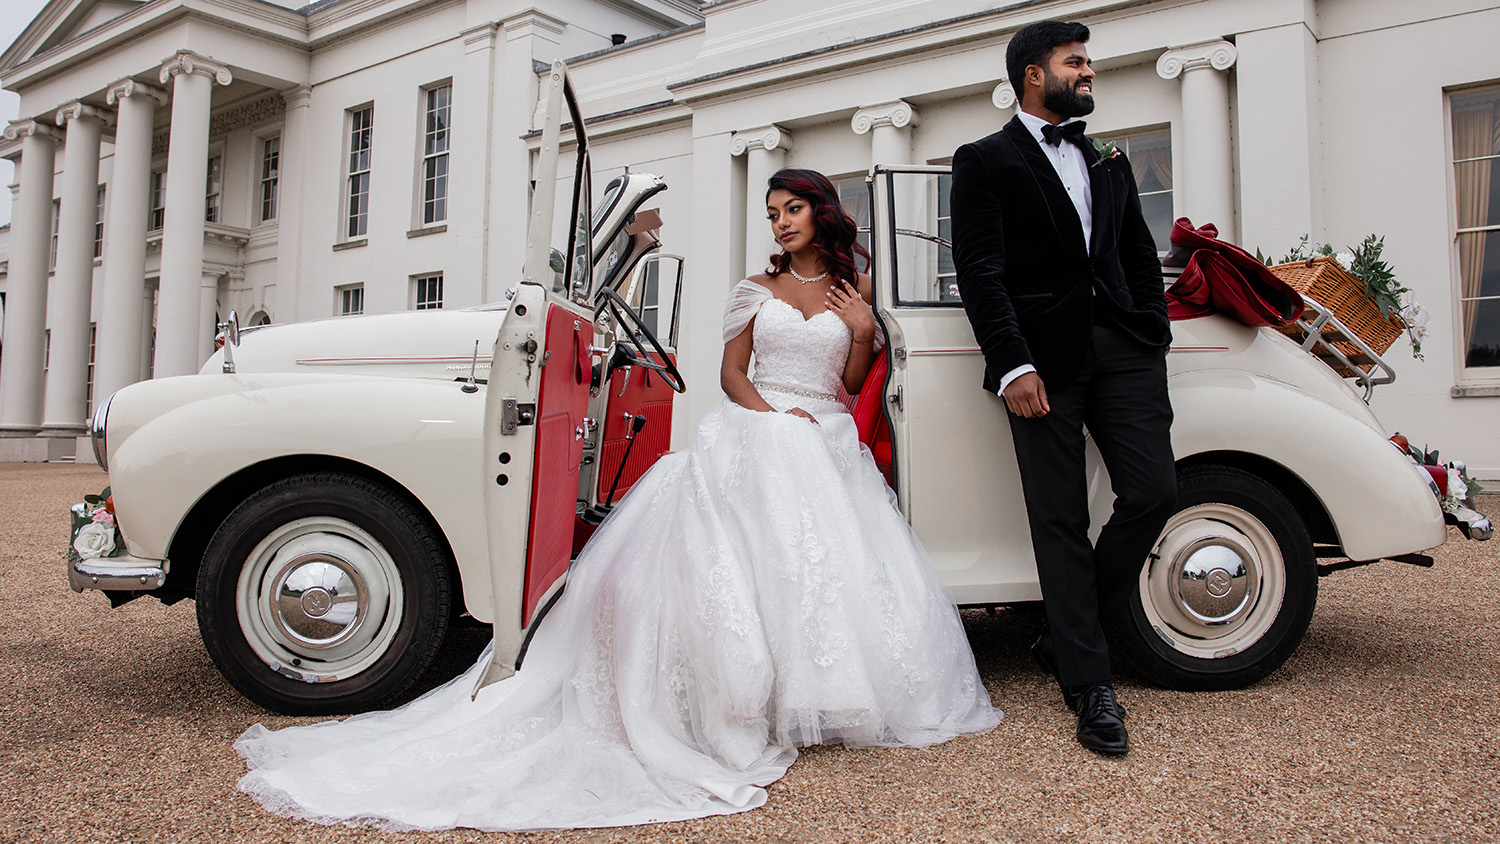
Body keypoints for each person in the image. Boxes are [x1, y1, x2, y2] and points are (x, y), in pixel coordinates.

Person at [235, 168, 999, 831]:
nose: (780, 222)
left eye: (791, 209)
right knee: (756, 511)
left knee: (831, 562)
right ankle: (740, 696)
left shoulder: (853, 292)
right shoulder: (756, 290)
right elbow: (731, 374)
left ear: (821, 212)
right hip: (760, 421)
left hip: (824, 428)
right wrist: (772, 419)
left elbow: (850, 380)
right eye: (772, 213)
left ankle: (826, 693)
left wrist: (861, 330)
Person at [950, 20, 1176, 756]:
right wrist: (1013, 365)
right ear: (1032, 75)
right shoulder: (983, 160)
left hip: (1125, 350)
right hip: (1041, 361)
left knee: (1154, 491)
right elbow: (981, 271)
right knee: (1060, 519)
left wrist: (1152, 329)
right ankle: (1089, 684)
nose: (1088, 72)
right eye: (1075, 62)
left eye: (1087, 62)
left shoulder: (1107, 159)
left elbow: (1138, 251)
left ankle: (1067, 631)